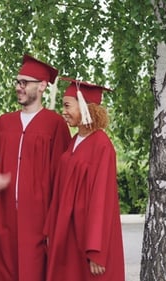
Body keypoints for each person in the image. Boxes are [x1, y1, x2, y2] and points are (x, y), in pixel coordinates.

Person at [0, 54, 71, 281]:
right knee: (5, 272)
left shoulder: (55, 124)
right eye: (17, 82)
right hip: (5, 217)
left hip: (40, 220)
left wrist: (54, 224)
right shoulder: (4, 122)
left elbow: (62, 177)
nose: (19, 87)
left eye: (24, 83)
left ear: (41, 86)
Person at [43, 78, 125, 281]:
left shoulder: (101, 145)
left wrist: (96, 249)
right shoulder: (74, 142)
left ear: (85, 107)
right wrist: (51, 228)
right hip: (68, 234)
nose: (63, 111)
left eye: (67, 105)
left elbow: (102, 202)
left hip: (86, 240)